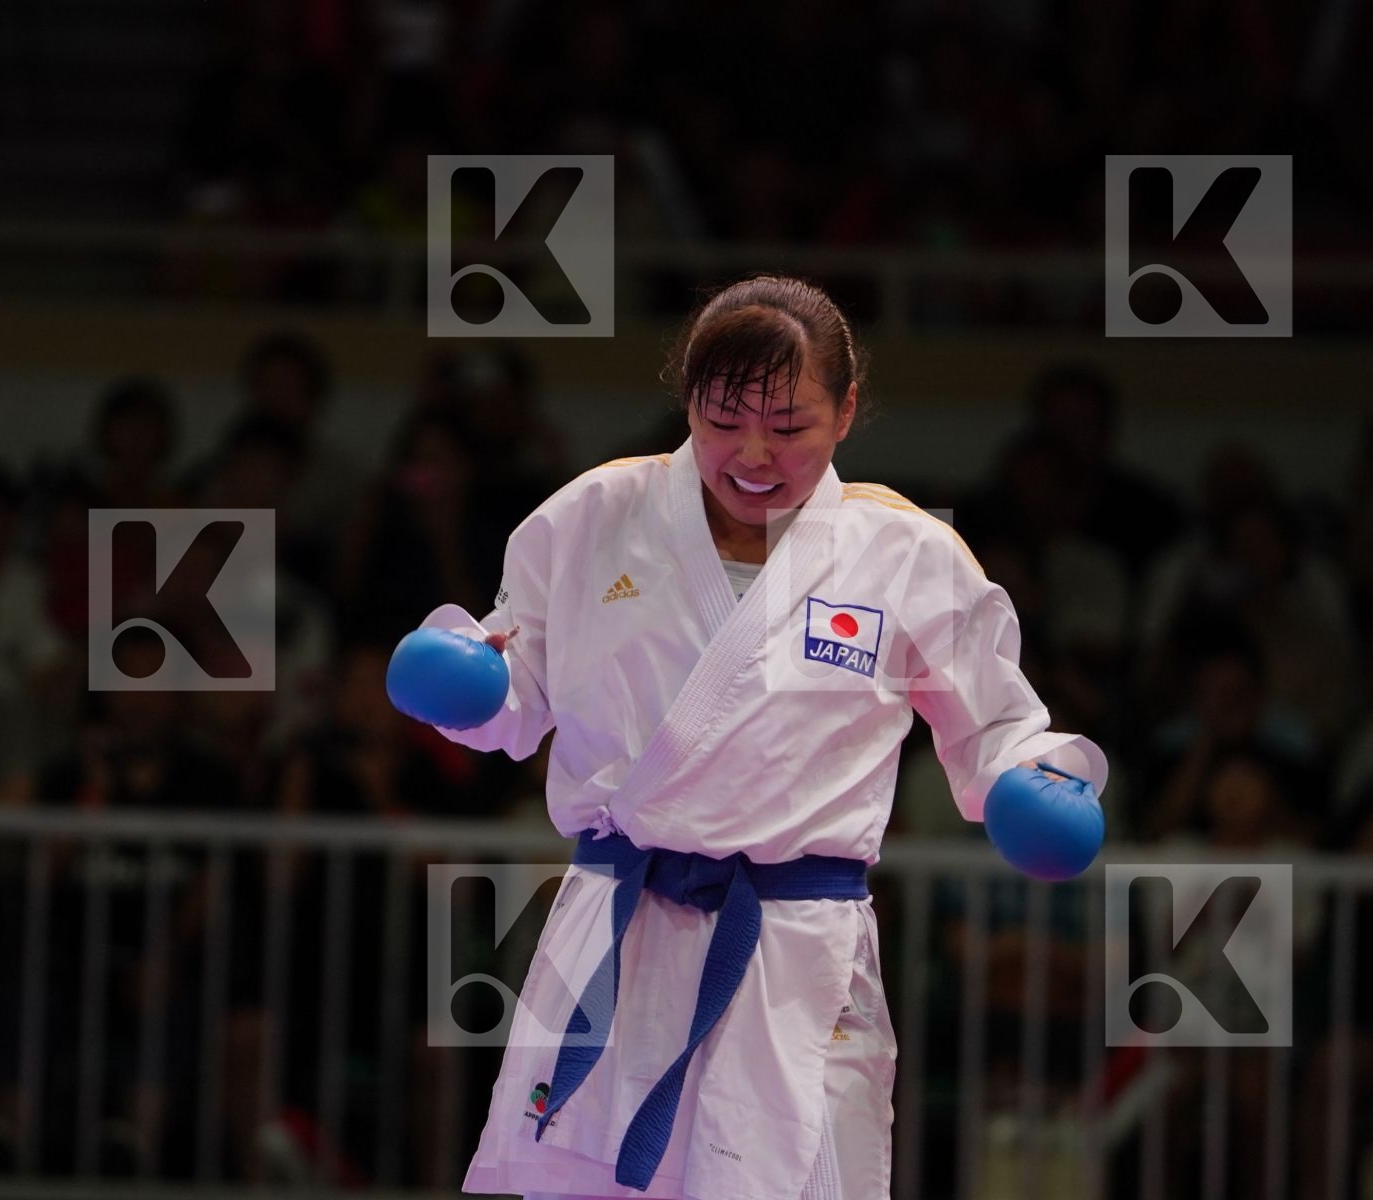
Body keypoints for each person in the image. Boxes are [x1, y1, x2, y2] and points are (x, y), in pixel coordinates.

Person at [389, 275, 1108, 1200]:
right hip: (622, 933)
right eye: (723, 420)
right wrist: (470, 684)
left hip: (797, 950)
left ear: (847, 411)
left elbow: (1000, 725)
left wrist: (1028, 780)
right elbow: (517, 695)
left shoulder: (906, 552)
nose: (754, 452)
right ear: (686, 401)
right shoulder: (595, 517)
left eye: (790, 424)